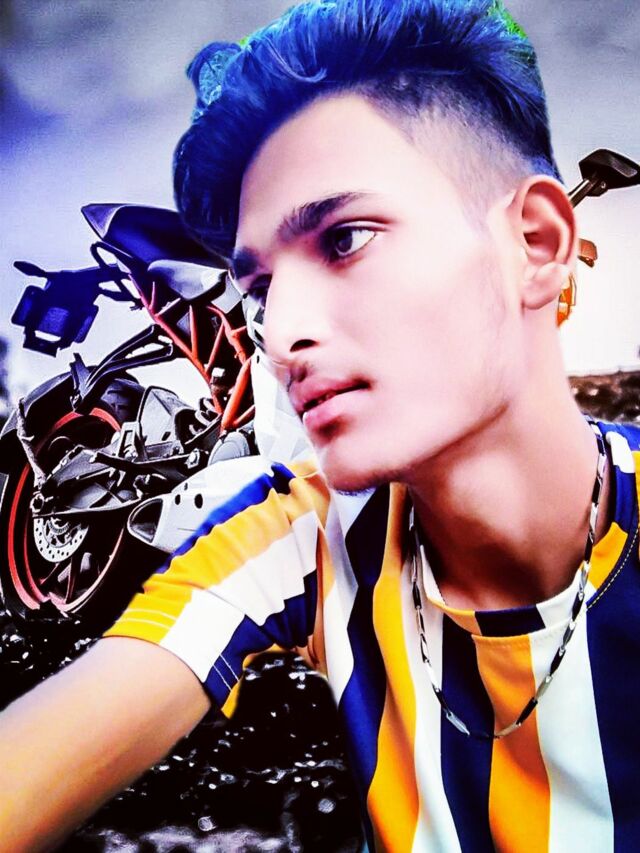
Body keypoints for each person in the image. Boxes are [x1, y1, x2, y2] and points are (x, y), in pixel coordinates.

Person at [1, 0, 639, 849]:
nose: (283, 330)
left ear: (536, 240)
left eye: (346, 238)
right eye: (261, 288)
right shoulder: (292, 541)